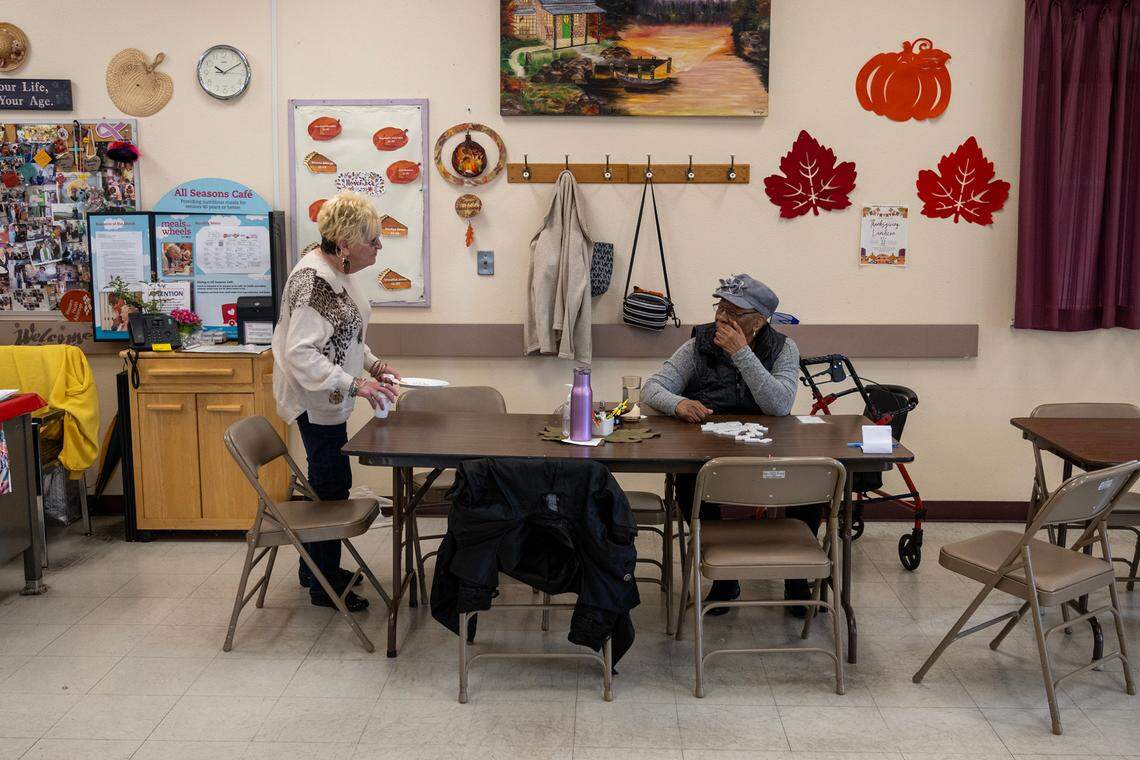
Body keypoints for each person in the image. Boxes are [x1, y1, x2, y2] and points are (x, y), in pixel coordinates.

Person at [641, 273, 815, 617]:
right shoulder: (698, 344)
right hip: (710, 454)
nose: (721, 318)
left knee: (809, 479)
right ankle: (724, 574)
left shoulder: (784, 348)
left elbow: (779, 405)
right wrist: (677, 404)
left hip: (767, 449)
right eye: (720, 307)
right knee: (691, 481)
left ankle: (798, 576)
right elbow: (652, 387)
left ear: (759, 322)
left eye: (733, 313)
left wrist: (742, 354)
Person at [271, 191, 401, 612]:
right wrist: (355, 385)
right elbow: (300, 352)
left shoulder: (337, 271)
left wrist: (375, 365)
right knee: (330, 487)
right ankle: (322, 584)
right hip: (315, 400)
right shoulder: (313, 280)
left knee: (330, 482)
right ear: (345, 243)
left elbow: (348, 333)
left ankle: (318, 569)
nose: (379, 247)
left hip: (331, 394)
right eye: (373, 240)